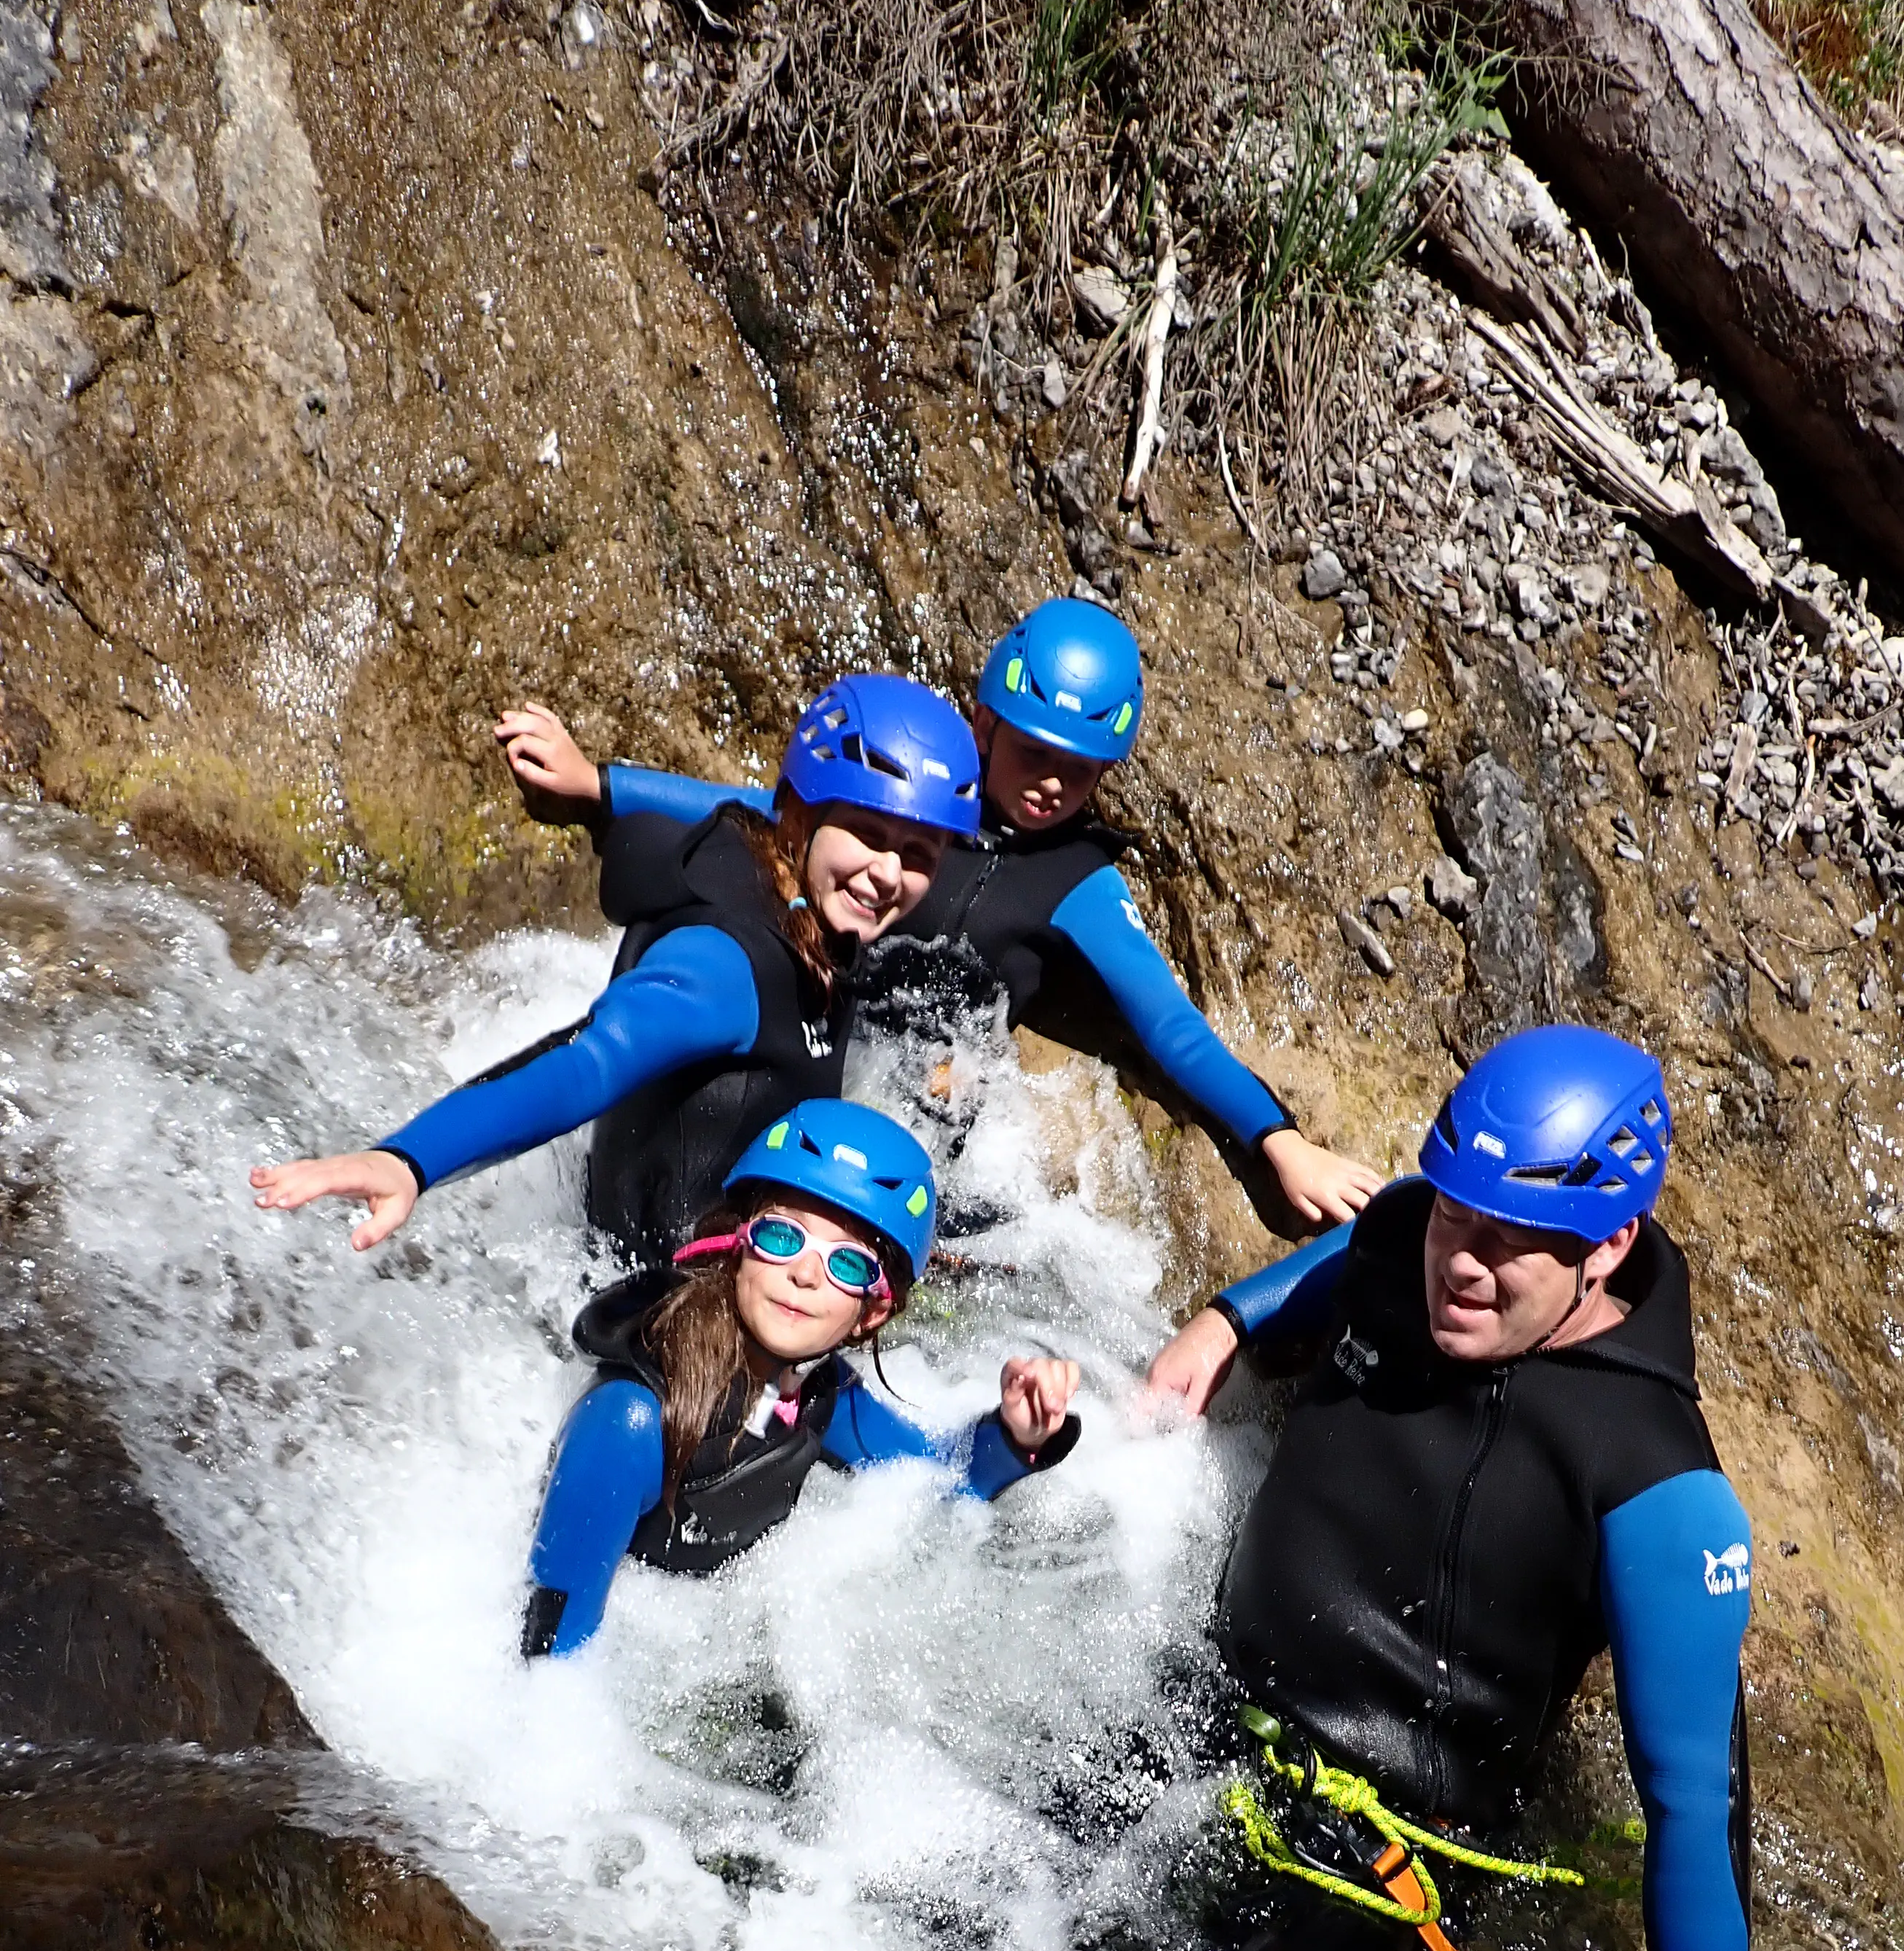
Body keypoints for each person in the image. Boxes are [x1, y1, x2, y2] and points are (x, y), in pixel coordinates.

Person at [1143, 1025, 1770, 1951]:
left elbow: (1696, 1801)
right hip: (1212, 1710)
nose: (1461, 1266)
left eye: (1507, 1242)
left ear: (1608, 1248)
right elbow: (1349, 1257)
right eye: (1452, 1217)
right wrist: (1224, 1326)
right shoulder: (1406, 1242)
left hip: (1388, 1842)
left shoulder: (1657, 1485)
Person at [494, 597, 1380, 1235]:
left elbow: (1171, 1027)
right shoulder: (921, 794)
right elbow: (761, 809)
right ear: (982, 724)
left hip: (927, 1073)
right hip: (816, 1019)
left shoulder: (1080, 882)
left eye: (1078, 772)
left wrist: (1281, 1143)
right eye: (1032, 752)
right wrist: (600, 785)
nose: (1049, 784)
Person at [248, 676, 984, 1267]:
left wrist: (599, 787)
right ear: (804, 815)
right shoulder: (729, 966)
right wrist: (410, 1162)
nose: (889, 874)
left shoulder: (789, 863)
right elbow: (588, 1062)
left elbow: (736, 802)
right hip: (662, 1312)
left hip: (748, 1262)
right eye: (870, 834)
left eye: (920, 854)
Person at [521, 1098, 1081, 1656]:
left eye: (847, 1265)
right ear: (739, 1245)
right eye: (784, 1237)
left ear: (873, 1311)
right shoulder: (631, 1422)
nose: (806, 1273)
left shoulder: (818, 1390)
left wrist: (1016, 1436)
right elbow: (549, 1660)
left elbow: (941, 1482)